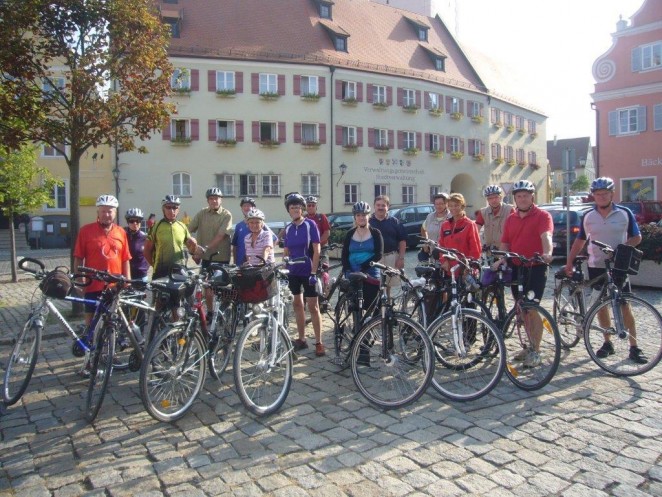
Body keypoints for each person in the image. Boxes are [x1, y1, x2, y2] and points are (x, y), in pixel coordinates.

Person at [564, 177, 646, 364]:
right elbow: (580, 240)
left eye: (605, 193)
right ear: (593, 195)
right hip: (596, 265)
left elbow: (637, 237)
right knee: (601, 305)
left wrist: (621, 250)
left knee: (624, 303)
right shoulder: (588, 216)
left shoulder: (624, 213)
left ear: (612, 194)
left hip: (619, 266)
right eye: (597, 194)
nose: (601, 197)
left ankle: (634, 346)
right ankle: (607, 342)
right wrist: (569, 261)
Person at [497, 180, 554, 367]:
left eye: (525, 195)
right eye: (519, 196)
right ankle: (529, 345)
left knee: (532, 308)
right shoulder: (511, 219)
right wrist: (502, 258)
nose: (522, 199)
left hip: (536, 266)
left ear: (532, 197)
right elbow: (505, 243)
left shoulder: (542, 215)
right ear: (515, 198)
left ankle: (536, 351)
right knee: (521, 308)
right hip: (516, 267)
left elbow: (546, 236)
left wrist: (548, 253)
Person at [73, 195, 132, 329]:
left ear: (115, 213)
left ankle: (108, 347)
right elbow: (78, 258)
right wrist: (80, 282)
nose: (106, 214)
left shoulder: (121, 232)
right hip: (93, 284)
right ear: (98, 212)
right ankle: (89, 345)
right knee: (91, 320)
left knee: (112, 321)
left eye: (110, 211)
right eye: (103, 211)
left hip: (114, 286)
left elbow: (125, 258)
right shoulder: (86, 231)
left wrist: (127, 280)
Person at [282, 192, 325, 357]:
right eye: (292, 207)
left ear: (302, 209)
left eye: (298, 207)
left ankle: (319, 342)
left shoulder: (310, 225)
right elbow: (286, 251)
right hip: (293, 272)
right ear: (289, 210)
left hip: (308, 271)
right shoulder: (288, 228)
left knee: (313, 307)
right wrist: (285, 265)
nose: (295, 210)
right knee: (297, 305)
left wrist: (314, 271)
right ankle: (301, 338)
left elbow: (317, 249)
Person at [188, 187, 233, 312]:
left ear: (221, 200)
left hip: (221, 258)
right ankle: (211, 313)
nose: (214, 201)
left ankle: (225, 311)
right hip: (206, 258)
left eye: (217, 198)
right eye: (211, 199)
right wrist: (192, 248)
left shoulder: (226, 215)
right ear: (208, 201)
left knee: (223, 288)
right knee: (207, 289)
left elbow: (220, 235)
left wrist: (204, 249)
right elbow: (188, 230)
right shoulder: (202, 213)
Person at [143, 195, 199, 280]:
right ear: (163, 209)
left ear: (178, 210)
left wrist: (194, 245)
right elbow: (146, 250)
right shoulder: (156, 227)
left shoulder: (182, 226)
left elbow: (191, 251)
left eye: (174, 208)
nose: (171, 210)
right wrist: (155, 266)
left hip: (179, 270)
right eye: (168, 207)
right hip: (161, 271)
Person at [341, 201, 384, 311]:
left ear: (369, 216)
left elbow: (379, 254)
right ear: (354, 217)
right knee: (355, 307)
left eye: (364, 215)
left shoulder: (375, 233)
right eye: (358, 215)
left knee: (372, 307)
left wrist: (363, 268)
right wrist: (347, 270)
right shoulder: (350, 233)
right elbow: (344, 254)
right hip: (353, 273)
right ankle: (356, 326)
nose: (361, 218)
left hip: (370, 273)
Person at [369, 195, 407, 291]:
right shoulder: (368, 222)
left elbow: (402, 241)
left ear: (388, 207)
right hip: (374, 258)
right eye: (378, 205)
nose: (380, 207)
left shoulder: (395, 222)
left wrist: (401, 258)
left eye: (383, 205)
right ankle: (376, 304)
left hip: (391, 257)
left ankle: (388, 302)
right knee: (374, 283)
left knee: (388, 285)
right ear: (374, 206)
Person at [438, 193, 481, 265]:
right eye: (450, 206)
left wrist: (469, 265)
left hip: (465, 268)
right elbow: (441, 246)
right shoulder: (445, 225)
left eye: (456, 205)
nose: (453, 208)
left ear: (462, 206)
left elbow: (475, 249)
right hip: (448, 268)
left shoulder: (470, 225)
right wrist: (443, 261)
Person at [475, 185, 514, 250]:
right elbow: (475, 231)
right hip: (489, 251)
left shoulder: (510, 210)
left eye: (496, 197)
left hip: (505, 252)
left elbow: (515, 231)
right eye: (490, 198)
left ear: (501, 197)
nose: (493, 200)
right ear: (487, 200)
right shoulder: (483, 212)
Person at [419, 192, 450, 261]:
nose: (439, 206)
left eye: (441, 204)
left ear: (446, 204)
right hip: (432, 254)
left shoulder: (451, 217)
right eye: (437, 204)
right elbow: (423, 229)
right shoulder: (430, 216)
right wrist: (426, 242)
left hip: (447, 255)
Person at [124, 208, 149, 282]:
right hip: (126, 275)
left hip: (141, 276)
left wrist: (145, 267)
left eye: (137, 221)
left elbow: (151, 254)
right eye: (132, 221)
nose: (135, 223)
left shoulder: (145, 237)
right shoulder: (123, 236)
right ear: (128, 222)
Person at [232, 197, 256, 265]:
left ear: (254, 208)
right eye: (244, 206)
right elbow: (235, 246)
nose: (246, 208)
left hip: (255, 263)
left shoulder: (259, 224)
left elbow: (274, 239)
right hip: (240, 262)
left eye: (248, 205)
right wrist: (234, 261)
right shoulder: (239, 226)